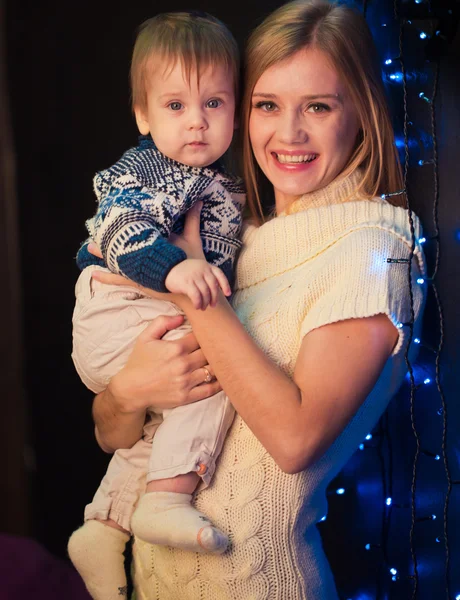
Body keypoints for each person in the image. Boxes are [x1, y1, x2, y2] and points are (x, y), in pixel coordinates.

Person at [85, 0, 427, 598]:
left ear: (362, 113)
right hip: (153, 581)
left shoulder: (373, 247)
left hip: (255, 583)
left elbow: (295, 442)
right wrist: (127, 391)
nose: (288, 134)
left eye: (317, 106)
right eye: (267, 105)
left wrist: (188, 280)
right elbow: (112, 435)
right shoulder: (243, 239)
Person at [67, 11, 246, 600]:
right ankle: (166, 498)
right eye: (175, 106)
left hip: (147, 317)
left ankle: (104, 525)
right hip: (115, 307)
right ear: (143, 114)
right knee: (215, 366)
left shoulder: (225, 183)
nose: (196, 122)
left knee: (170, 410)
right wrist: (179, 267)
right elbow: (119, 229)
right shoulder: (142, 169)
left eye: (214, 104)